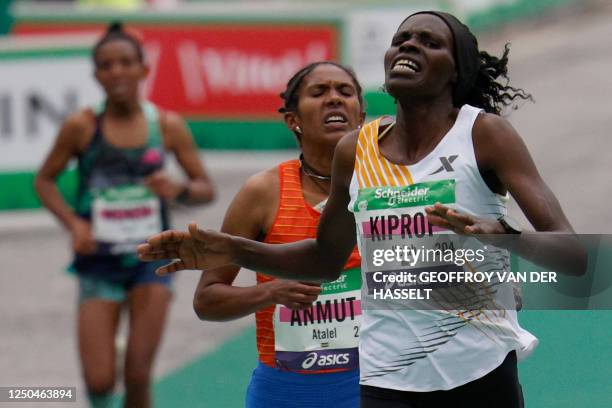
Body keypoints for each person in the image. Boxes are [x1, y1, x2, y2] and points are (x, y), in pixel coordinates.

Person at [139, 11, 586, 407]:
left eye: (430, 42)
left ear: (455, 71)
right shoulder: (357, 151)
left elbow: (577, 259)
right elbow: (324, 259)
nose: (409, 45)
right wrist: (233, 249)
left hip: (479, 371)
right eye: (402, 39)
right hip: (384, 379)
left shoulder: (484, 136)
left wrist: (503, 236)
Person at [35, 22, 215, 408]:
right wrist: (73, 223)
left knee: (137, 375)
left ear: (143, 70)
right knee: (99, 381)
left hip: (150, 262)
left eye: (125, 63)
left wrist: (179, 189)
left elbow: (205, 189)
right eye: (106, 65)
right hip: (97, 263)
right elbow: (45, 181)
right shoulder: (81, 126)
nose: (116, 72)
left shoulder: (165, 126)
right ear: (96, 74)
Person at [193, 61, 365, 408]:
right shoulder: (263, 192)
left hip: (374, 384)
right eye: (319, 92)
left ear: (360, 114)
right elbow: (207, 300)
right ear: (292, 119)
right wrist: (271, 291)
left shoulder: (385, 185)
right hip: (285, 390)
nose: (334, 99)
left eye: (345, 92)